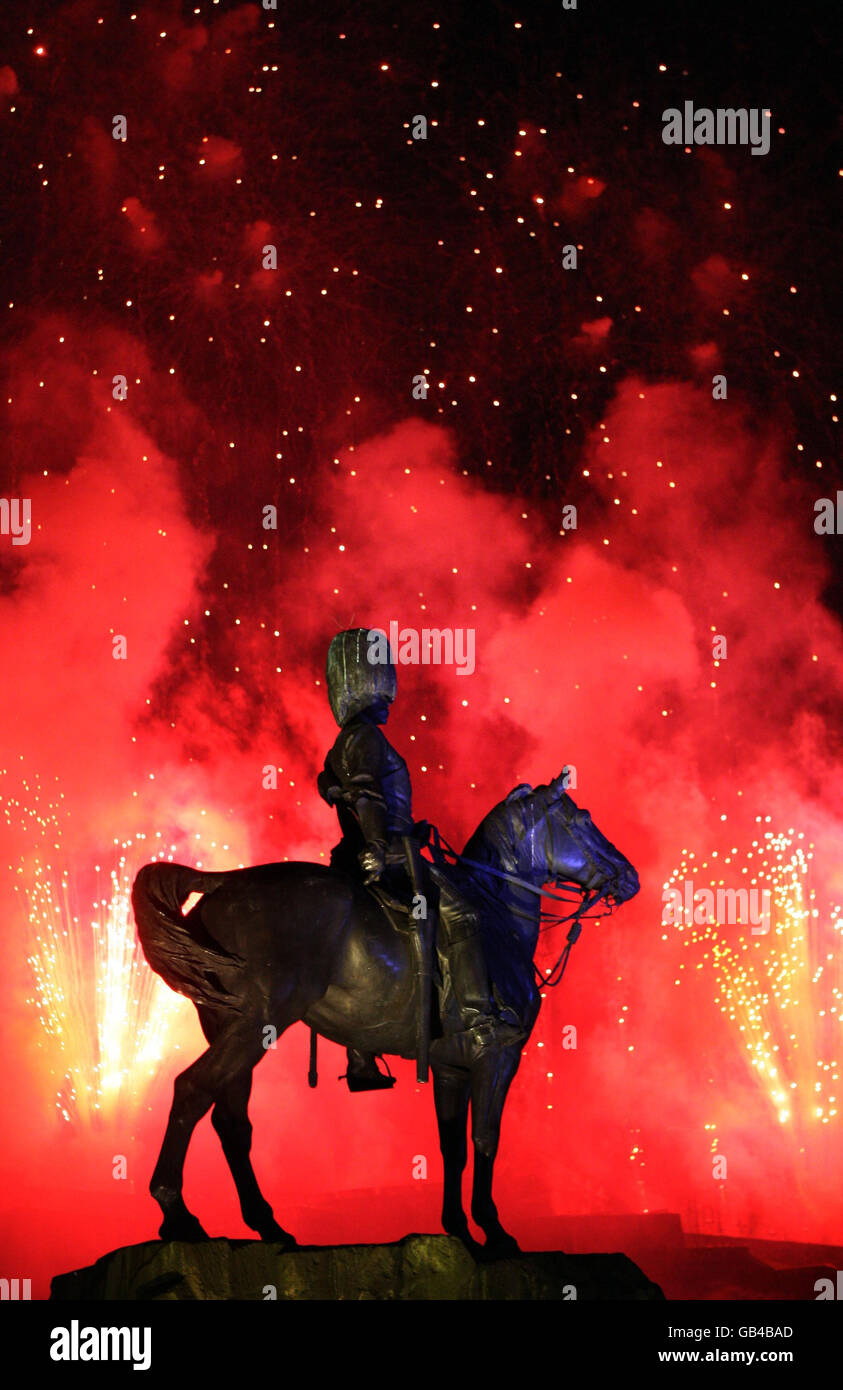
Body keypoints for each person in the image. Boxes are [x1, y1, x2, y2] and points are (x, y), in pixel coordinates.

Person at [318, 628, 523, 1091]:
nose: (392, 694)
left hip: (366, 853)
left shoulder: (343, 741)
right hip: (391, 855)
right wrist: (375, 846)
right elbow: (368, 796)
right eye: (384, 683)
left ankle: (360, 1055)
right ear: (367, 683)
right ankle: (478, 1020)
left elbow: (334, 786)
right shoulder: (367, 735)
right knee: (464, 913)